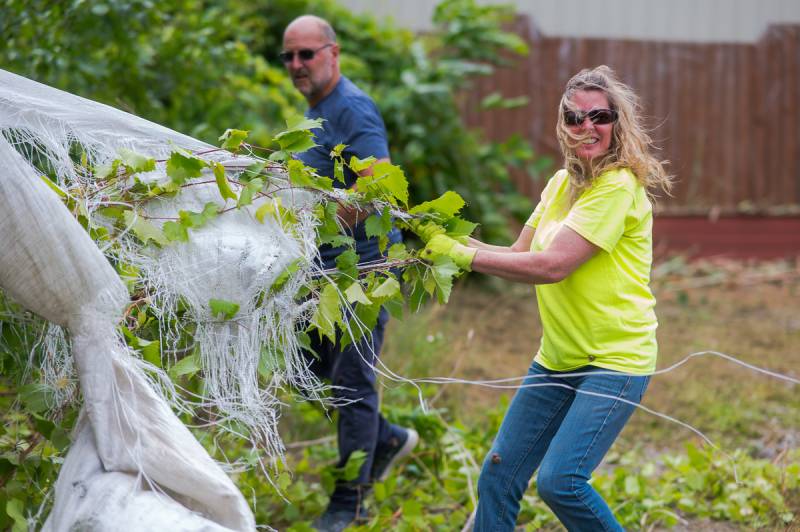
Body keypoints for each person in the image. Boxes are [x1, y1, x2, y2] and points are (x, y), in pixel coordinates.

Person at [424, 65, 672, 531]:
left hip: (616, 360)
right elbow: (519, 253)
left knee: (562, 481)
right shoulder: (562, 184)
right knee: (498, 475)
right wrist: (440, 237)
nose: (587, 127)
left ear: (619, 122)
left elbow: (551, 265)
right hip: (559, 357)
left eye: (600, 115)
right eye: (574, 118)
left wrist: (459, 254)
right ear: (562, 125)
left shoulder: (618, 186)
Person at [280, 15, 418, 531]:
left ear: (332, 53)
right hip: (324, 270)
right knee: (304, 367)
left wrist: (313, 219)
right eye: (288, 57)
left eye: (306, 54)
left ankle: (349, 503)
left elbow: (376, 190)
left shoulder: (353, 108)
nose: (296, 65)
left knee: (352, 385)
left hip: (364, 267)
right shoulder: (318, 109)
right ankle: (383, 438)